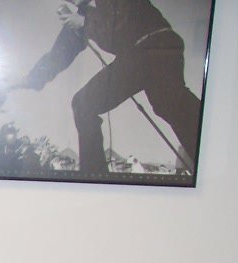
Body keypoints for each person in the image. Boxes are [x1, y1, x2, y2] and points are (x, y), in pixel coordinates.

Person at [14, 0, 201, 176]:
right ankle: (206, 146)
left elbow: (121, 25)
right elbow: (60, 54)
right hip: (149, 51)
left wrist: (84, 23)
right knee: (171, 107)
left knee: (85, 105)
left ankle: (93, 176)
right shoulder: (83, 12)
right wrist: (31, 79)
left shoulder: (86, 16)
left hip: (152, 45)